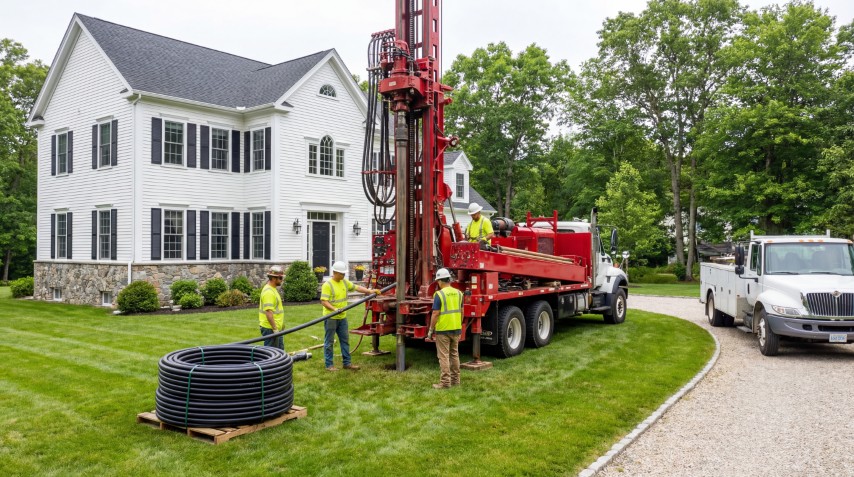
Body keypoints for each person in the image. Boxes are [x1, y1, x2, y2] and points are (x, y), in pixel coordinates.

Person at [321, 261, 381, 371]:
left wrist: (370, 291)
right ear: (335, 272)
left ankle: (347, 363)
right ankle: (329, 365)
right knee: (329, 342)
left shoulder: (344, 282)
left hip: (342, 317)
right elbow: (324, 301)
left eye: (344, 274)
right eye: (341, 274)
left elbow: (357, 287)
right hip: (331, 318)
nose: (343, 275)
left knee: (345, 340)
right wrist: (335, 309)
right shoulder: (327, 285)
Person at [426, 268, 462, 389]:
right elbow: (462, 311)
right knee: (454, 354)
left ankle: (445, 382)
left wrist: (430, 330)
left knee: (444, 356)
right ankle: (456, 380)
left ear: (440, 281)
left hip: (443, 329)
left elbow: (435, 313)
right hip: (456, 328)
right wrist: (459, 325)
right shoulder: (458, 293)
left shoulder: (439, 294)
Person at [259, 265, 285, 350]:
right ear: (273, 278)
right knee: (271, 354)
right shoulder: (269, 292)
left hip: (276, 327)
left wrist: (281, 325)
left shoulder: (273, 289)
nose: (282, 280)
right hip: (270, 328)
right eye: (280, 278)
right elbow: (268, 312)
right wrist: (275, 329)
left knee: (280, 352)